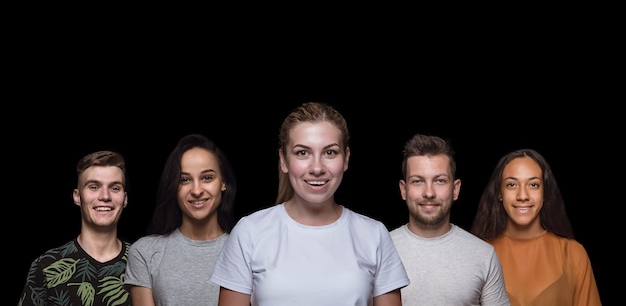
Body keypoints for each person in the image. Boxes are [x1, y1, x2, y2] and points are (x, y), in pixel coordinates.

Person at [210, 102, 409, 306]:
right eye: (302, 153)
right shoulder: (249, 232)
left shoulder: (374, 235)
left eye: (329, 152)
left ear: (346, 158)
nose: (316, 168)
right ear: (283, 160)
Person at [389, 134, 510, 306]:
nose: (429, 193)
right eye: (418, 181)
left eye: (439, 181)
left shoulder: (484, 255)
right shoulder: (379, 251)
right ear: (403, 189)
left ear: (455, 189)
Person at [470, 148, 602, 306]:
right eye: (512, 184)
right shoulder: (478, 254)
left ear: (545, 193)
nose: (523, 196)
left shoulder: (573, 254)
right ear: (500, 193)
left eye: (533, 185)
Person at [124, 133, 237, 306]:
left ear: (223, 182)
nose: (197, 190)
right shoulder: (145, 252)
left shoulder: (244, 251)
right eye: (184, 180)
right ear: (173, 187)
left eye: (207, 177)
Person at [18, 150, 132, 306]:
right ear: (77, 196)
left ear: (125, 199)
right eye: (93, 187)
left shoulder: (142, 264)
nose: (105, 196)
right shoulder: (46, 265)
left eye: (115, 188)